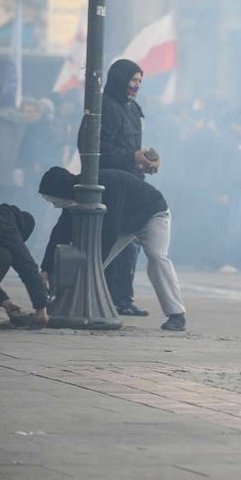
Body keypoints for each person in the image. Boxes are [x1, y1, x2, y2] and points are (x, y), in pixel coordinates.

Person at [39, 167, 187, 330]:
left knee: (157, 257)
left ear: (61, 190)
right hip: (124, 224)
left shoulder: (108, 184)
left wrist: (93, 264)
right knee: (92, 267)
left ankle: (176, 315)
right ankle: (75, 306)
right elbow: (60, 232)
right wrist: (46, 267)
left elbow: (110, 230)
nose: (54, 205)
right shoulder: (76, 193)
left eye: (54, 200)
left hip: (152, 215)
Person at [99, 59, 159, 317]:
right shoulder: (106, 107)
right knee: (116, 242)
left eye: (139, 82)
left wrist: (146, 161)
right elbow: (102, 150)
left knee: (131, 242)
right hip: (112, 184)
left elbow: (134, 147)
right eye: (133, 81)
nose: (136, 86)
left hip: (133, 182)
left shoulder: (132, 108)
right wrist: (133, 157)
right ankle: (110, 295)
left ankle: (123, 297)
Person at [0, 204, 49, 328]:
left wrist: (5, 302)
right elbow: (27, 266)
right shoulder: (6, 225)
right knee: (2, 257)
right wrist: (41, 308)